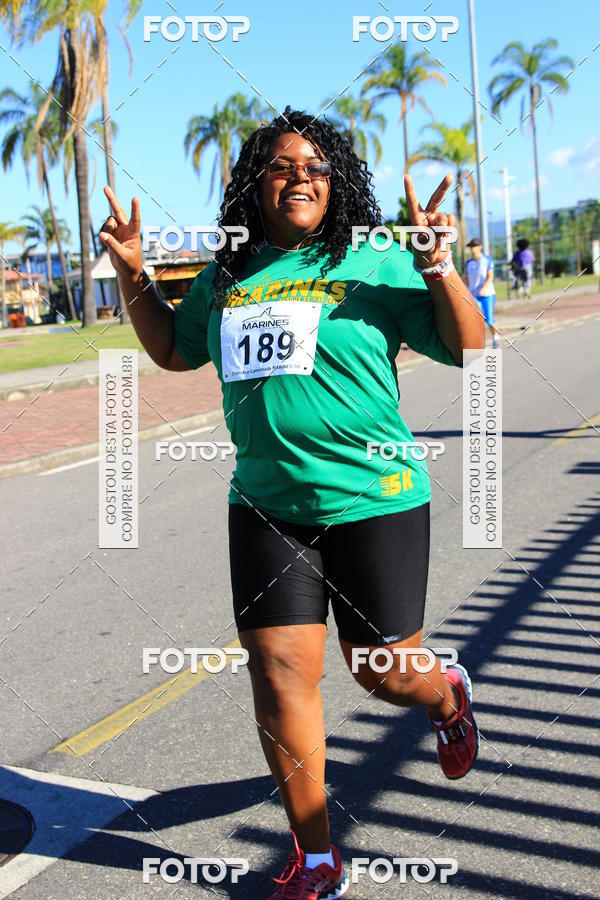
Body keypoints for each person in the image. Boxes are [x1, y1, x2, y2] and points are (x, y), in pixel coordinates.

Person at [100, 107, 485, 900]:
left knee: (381, 672)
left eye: (314, 164)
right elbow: (176, 350)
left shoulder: (376, 258)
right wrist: (134, 271)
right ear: (256, 183)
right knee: (279, 679)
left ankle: (446, 695)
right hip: (267, 506)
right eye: (280, 165)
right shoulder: (230, 274)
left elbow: (471, 346)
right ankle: (315, 858)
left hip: (372, 497)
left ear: (335, 178)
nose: (299, 175)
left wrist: (441, 264)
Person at [464, 237, 498, 349]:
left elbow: (490, 277)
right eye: (471, 247)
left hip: (487, 294)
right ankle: (476, 342)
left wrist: (484, 288)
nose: (472, 249)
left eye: (474, 246)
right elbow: (467, 279)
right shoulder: (468, 263)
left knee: (489, 320)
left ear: (480, 247)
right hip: (474, 295)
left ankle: (495, 337)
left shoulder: (487, 260)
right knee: (472, 317)